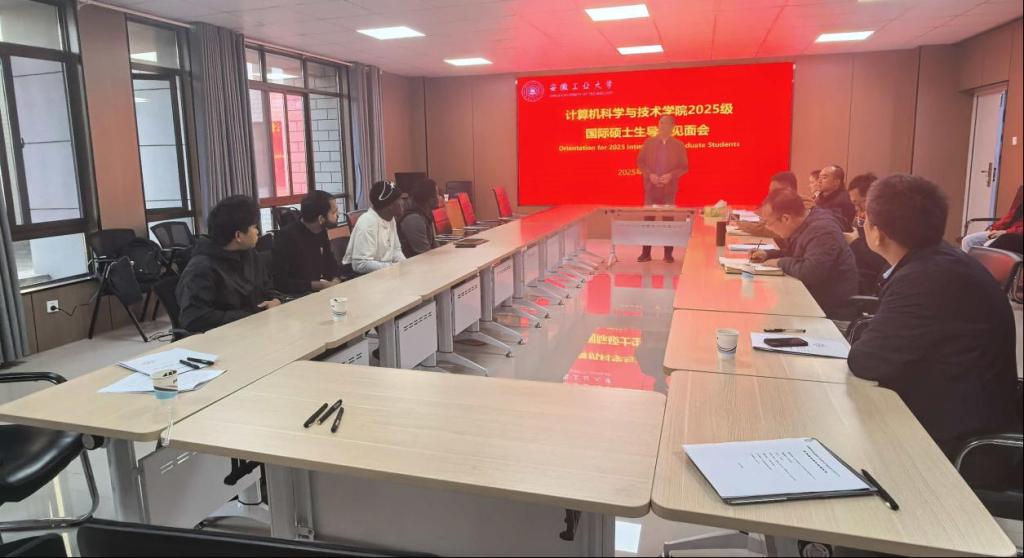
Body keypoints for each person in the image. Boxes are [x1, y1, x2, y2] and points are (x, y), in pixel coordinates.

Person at [848, 174, 1018, 456]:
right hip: (952, 405)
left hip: (954, 438)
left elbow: (866, 361)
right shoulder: (936, 261)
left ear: (878, 234)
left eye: (864, 218)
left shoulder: (924, 279)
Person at [750, 188, 859, 320]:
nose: (767, 227)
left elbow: (810, 272)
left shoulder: (822, 230)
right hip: (812, 304)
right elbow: (797, 256)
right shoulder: (806, 223)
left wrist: (778, 262)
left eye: (768, 223)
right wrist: (768, 254)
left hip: (830, 314)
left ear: (786, 218)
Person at [177, 195, 280, 333]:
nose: (258, 232)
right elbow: (194, 318)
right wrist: (249, 316)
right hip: (225, 337)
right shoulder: (201, 268)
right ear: (238, 236)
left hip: (256, 329)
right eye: (254, 227)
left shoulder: (250, 254)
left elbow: (267, 288)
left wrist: (275, 300)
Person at [635, 115, 688, 263]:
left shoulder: (678, 145)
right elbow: (640, 162)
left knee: (668, 222)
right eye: (661, 123)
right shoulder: (649, 142)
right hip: (651, 188)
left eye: (666, 124)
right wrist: (649, 174)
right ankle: (646, 253)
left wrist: (671, 175)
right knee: (648, 221)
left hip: (669, 190)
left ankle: (668, 254)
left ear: (672, 127)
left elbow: (684, 167)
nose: (663, 126)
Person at [271, 190, 342, 295]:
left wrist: (335, 279)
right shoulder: (286, 237)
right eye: (334, 212)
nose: (338, 214)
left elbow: (330, 263)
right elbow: (280, 282)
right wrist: (318, 285)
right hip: (298, 297)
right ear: (321, 219)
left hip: (321, 293)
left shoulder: (321, 231)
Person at [343, 180, 406, 274]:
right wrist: (391, 268)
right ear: (389, 205)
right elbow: (360, 264)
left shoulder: (390, 218)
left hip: (384, 273)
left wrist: (405, 266)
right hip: (364, 278)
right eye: (400, 199)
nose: (403, 202)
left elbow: (396, 250)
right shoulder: (368, 223)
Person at [844, 172, 889, 295]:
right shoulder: (860, 217)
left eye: (859, 203)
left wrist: (855, 242)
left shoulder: (885, 224)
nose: (857, 209)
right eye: (854, 204)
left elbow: (882, 260)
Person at [735, 171, 801, 236]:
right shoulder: (780, 205)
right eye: (770, 192)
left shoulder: (801, 206)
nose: (770, 195)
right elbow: (764, 223)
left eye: (774, 192)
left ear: (788, 190)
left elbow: (767, 230)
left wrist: (740, 223)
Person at [398, 178, 441, 257]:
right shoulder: (414, 219)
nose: (440, 197)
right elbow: (425, 254)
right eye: (437, 194)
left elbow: (434, 245)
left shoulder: (426, 214)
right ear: (429, 198)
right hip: (415, 263)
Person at [813, 164, 856, 231]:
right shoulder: (819, 197)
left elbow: (837, 225)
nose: (819, 181)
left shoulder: (844, 201)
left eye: (824, 178)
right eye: (819, 177)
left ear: (836, 182)